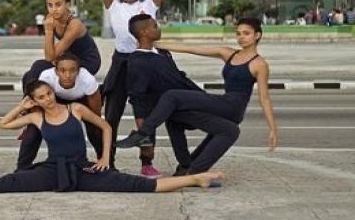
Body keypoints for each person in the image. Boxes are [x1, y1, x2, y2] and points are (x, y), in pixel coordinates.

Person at [0, 80, 226, 194]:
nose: (47, 99)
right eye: (41, 97)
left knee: (139, 186)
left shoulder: (74, 109)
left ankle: (194, 179)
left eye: (48, 94)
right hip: (50, 170)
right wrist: (24, 105)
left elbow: (104, 127)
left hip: (84, 168)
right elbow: (3, 125)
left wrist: (104, 158)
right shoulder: (36, 115)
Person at [117, 17, 278, 175]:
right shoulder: (228, 53)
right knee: (178, 119)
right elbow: (191, 49)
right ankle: (187, 167)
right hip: (224, 102)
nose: (241, 37)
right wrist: (154, 45)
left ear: (257, 35)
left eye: (246, 33)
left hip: (234, 107)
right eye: (238, 33)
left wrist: (272, 129)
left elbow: (264, 97)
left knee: (172, 96)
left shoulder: (259, 64)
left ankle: (142, 134)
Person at [94, 0, 171, 177]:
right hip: (121, 63)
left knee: (146, 118)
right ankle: (108, 160)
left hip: (145, 65)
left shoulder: (149, 5)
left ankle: (147, 162)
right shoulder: (113, 5)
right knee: (111, 115)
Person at [18, 52, 102, 170]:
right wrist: (34, 119)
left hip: (81, 100)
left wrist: (94, 123)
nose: (67, 75)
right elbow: (40, 100)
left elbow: (96, 111)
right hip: (55, 99)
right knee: (33, 130)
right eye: (62, 70)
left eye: (72, 71)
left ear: (78, 71)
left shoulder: (87, 80)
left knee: (95, 129)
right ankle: (22, 168)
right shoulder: (47, 77)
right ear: (56, 72)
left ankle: (106, 164)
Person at [42, 0, 102, 75]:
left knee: (42, 68)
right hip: (68, 59)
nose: (54, 9)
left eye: (58, 5)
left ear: (67, 5)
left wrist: (48, 30)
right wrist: (57, 58)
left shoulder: (74, 24)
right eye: (50, 5)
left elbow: (49, 57)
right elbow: (51, 55)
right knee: (38, 67)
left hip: (87, 62)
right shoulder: (51, 21)